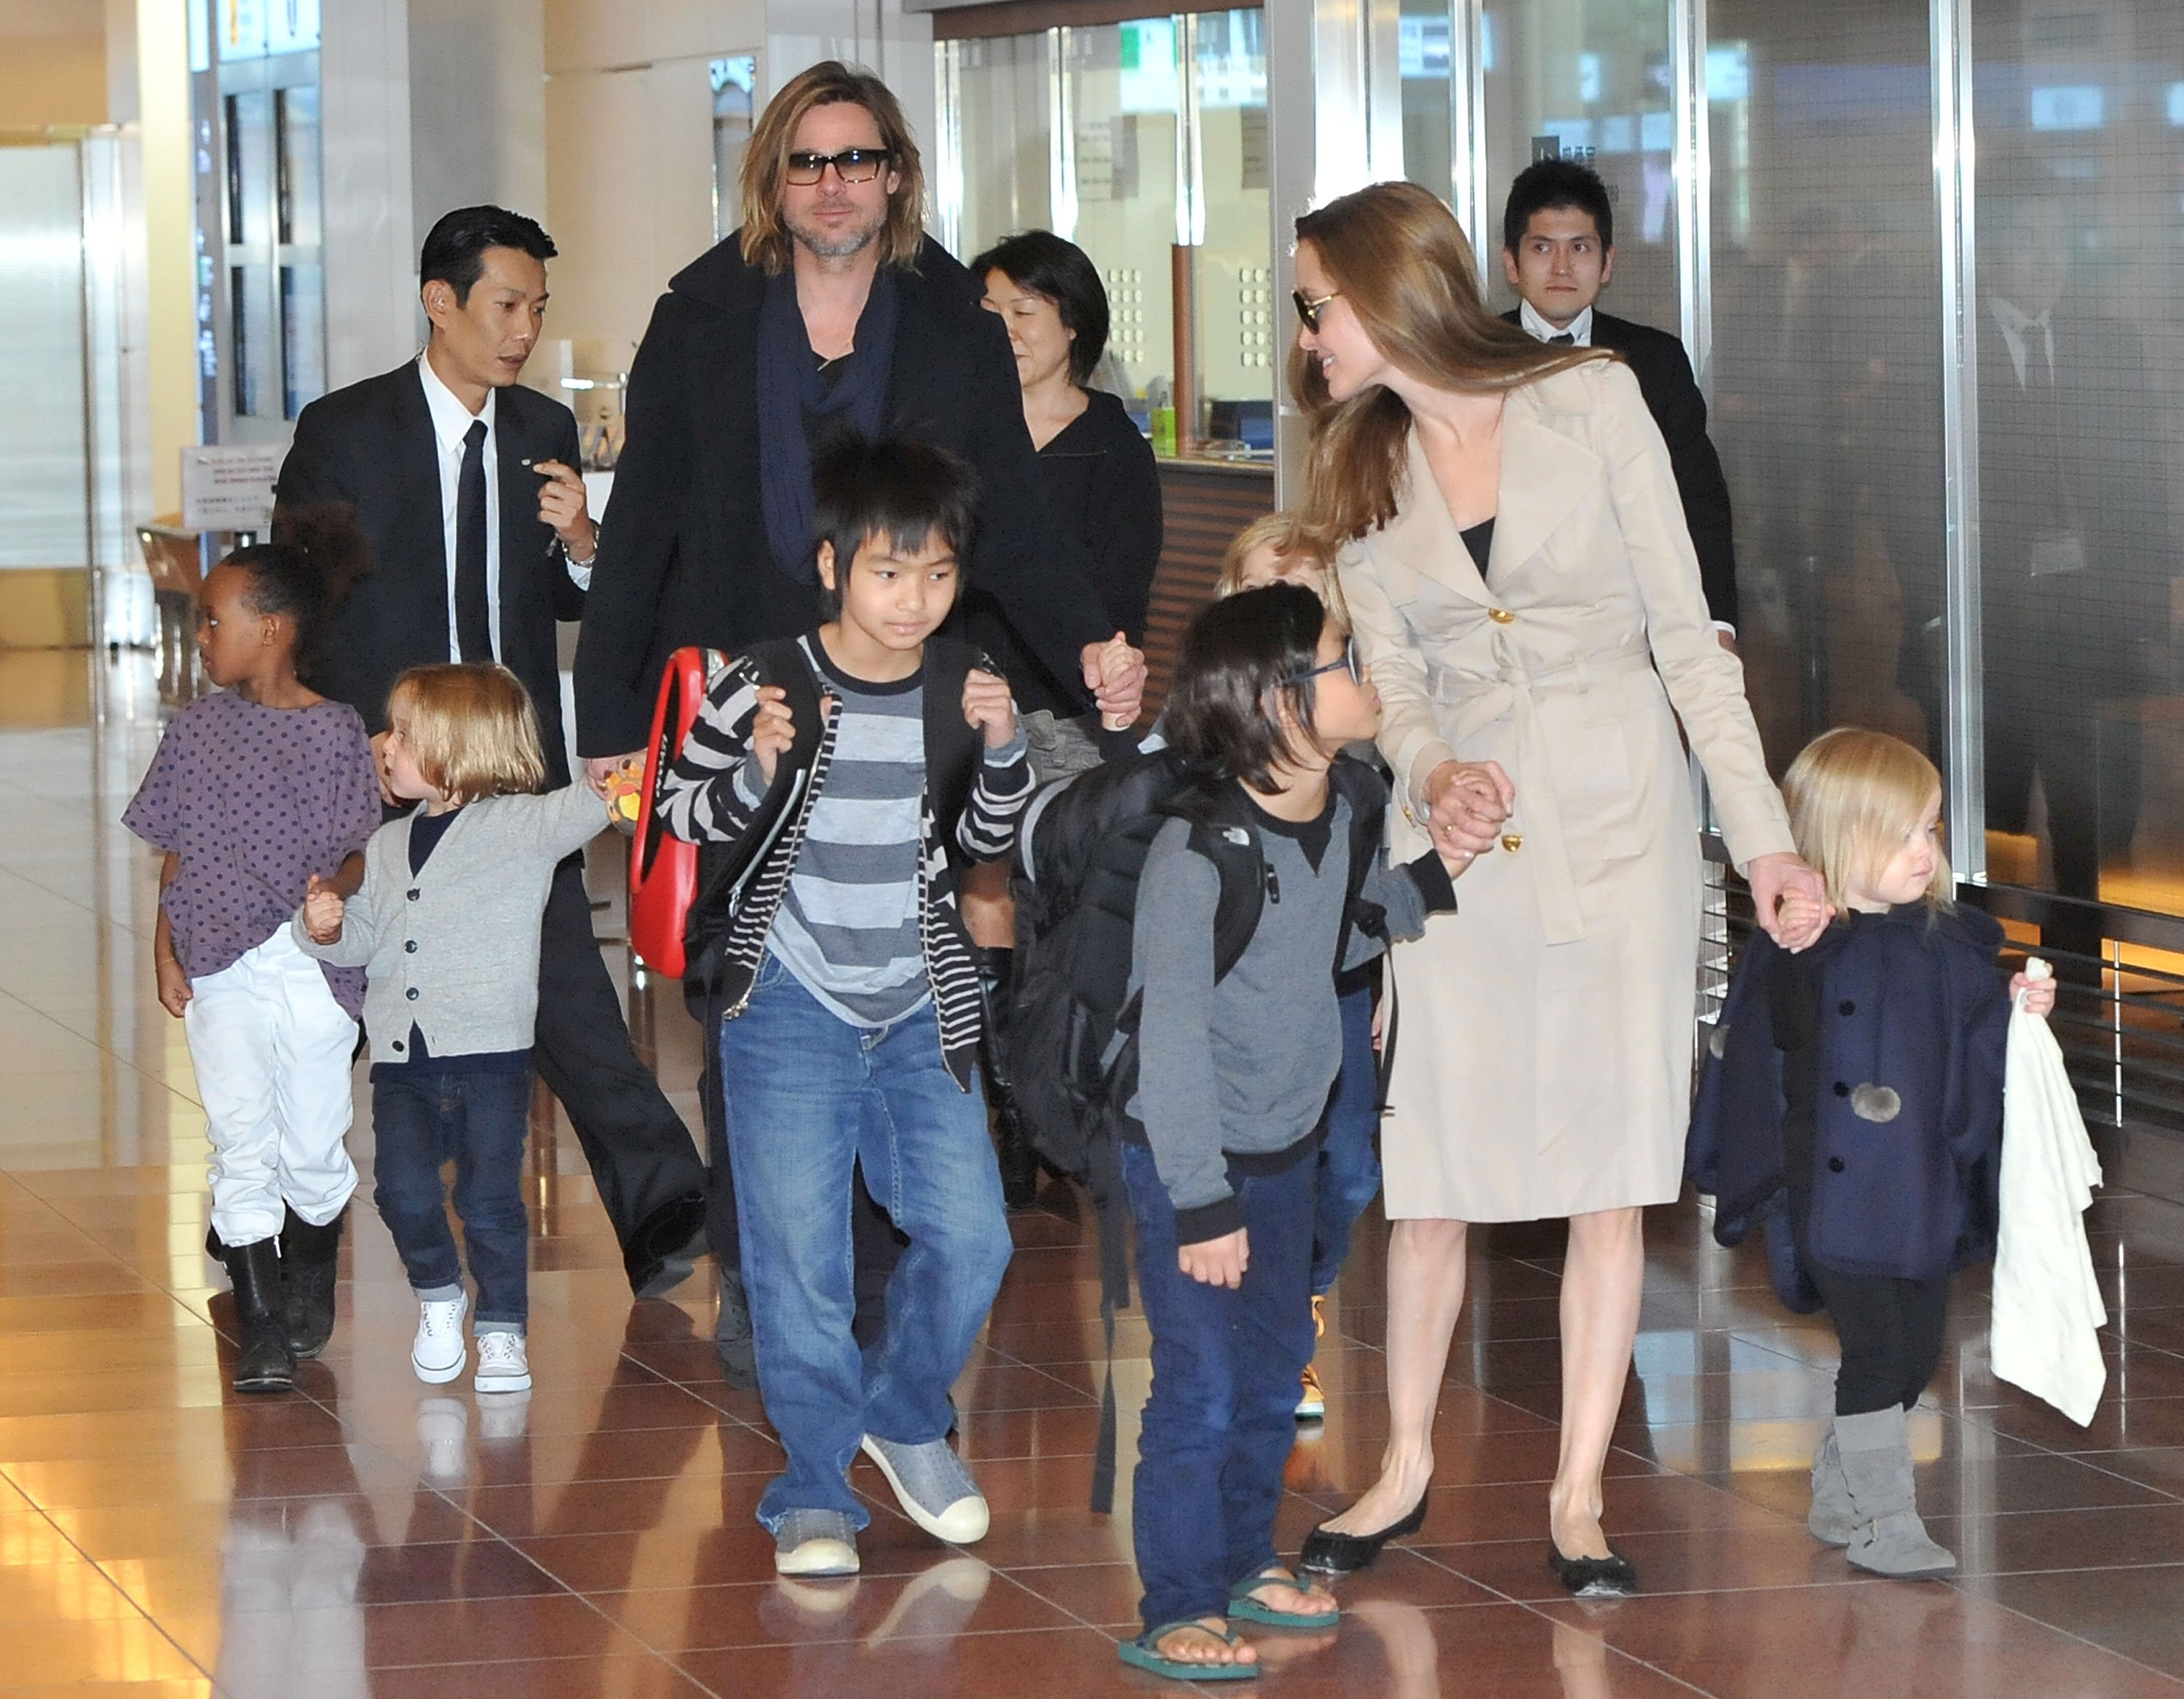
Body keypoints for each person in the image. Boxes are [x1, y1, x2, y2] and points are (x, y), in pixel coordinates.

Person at [1286, 181, 1827, 1595]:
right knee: (1435, 1165)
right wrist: (1428, 765)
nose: (1305, 339)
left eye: (1315, 306)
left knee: (1606, 1167)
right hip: (1462, 842)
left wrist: (1762, 838)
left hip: (1623, 825)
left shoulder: (1596, 401)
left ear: (1390, 293)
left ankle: (1580, 1493)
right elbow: (1393, 676)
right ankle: (1401, 1465)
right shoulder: (1356, 467)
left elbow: (1688, 638)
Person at [571, 63, 1144, 1366]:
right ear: (774, 180)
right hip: (738, 701)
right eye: (808, 162)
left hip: (902, 702)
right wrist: (612, 717)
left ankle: (877, 1290)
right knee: (747, 986)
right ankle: (771, 1290)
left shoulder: (949, 318)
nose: (834, 185)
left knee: (897, 982)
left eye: (858, 159)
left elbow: (1015, 520)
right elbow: (645, 515)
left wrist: (1094, 638)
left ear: (896, 174)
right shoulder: (704, 311)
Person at [274, 205, 709, 1303]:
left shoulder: (540, 428)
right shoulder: (346, 431)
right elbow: (299, 602)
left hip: (510, 766)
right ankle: (283, 1237)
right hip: (389, 763)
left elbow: (575, 599)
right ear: (442, 301)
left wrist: (582, 541)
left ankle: (667, 1212)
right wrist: (338, 743)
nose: (524, 329)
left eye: (538, 309)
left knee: (563, 977)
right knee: (342, 1005)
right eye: (507, 305)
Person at [653, 435, 1028, 1579]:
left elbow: (984, 848)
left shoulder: (959, 684)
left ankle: (906, 1413)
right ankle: (814, 1483)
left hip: (922, 1004)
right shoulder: (763, 678)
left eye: (938, 575)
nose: (914, 601)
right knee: (797, 1260)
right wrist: (756, 772)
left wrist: (1006, 749)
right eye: (887, 573)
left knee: (975, 1235)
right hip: (790, 1004)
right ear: (831, 565)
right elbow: (677, 811)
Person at [1113, 583, 1468, 1681]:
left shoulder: (1350, 799)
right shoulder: (1195, 851)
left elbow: (1364, 917)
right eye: (1341, 656)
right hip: (1191, 1159)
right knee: (1200, 1386)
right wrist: (1203, 1201)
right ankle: (1173, 1601)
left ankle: (1238, 1560)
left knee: (1272, 1373)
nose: (1362, 671)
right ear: (1278, 700)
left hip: (1287, 1145)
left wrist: (1455, 854)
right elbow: (1166, 1043)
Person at [1688, 728, 2055, 1578]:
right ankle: (1888, 1520)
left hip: (1923, 1186)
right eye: (1903, 834)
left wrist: (2018, 1010)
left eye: (1931, 830)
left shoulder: (1950, 944)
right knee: (1880, 1349)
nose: (1926, 851)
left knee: (1919, 1350)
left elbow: (1977, 1044)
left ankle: (1840, 1477)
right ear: (1839, 839)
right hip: (1833, 1191)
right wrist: (1800, 942)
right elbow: (1775, 1033)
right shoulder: (1804, 950)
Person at [296, 663, 613, 1398]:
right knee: (402, 1193)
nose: (385, 743)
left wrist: (620, 775)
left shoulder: (524, 826)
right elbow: (361, 940)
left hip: (491, 1057)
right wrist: (323, 927)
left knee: (488, 1199)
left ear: (456, 747)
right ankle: (440, 1295)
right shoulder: (384, 845)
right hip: (402, 1056)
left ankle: (502, 1328)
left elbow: (595, 803)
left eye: (402, 733)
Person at [123, 524, 383, 1395]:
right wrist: (163, 949)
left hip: (311, 959)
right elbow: (175, 849)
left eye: (210, 621)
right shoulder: (195, 731)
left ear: (270, 628)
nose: (200, 637)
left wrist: (333, 893)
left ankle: (312, 1268)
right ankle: (260, 1321)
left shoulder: (338, 730)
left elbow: (359, 848)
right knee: (240, 1139)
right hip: (218, 958)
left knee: (312, 1143)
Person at [1218, 516, 1374, 1423]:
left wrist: (1390, 979)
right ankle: (1269, 1333)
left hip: (1339, 985)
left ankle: (1300, 1295)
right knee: (1253, 1168)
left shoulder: (1359, 738)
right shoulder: (1201, 726)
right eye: (1260, 593)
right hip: (1239, 997)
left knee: (1349, 1168)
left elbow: (1387, 881)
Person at [1500, 159, 1740, 639]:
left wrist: (1717, 628)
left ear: (1607, 263)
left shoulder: (1655, 360)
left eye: (1580, 248)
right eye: (1542, 247)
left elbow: (1698, 502)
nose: (1562, 267)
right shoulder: (1469, 361)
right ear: (1512, 263)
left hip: (1629, 624)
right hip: (1509, 629)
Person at [970, 229, 1164, 730]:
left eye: (1025, 313)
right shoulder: (958, 435)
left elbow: (1120, 601)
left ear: (1072, 322)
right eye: (991, 314)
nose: (1004, 330)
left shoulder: (1112, 448)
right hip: (961, 705)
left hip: (1066, 716)